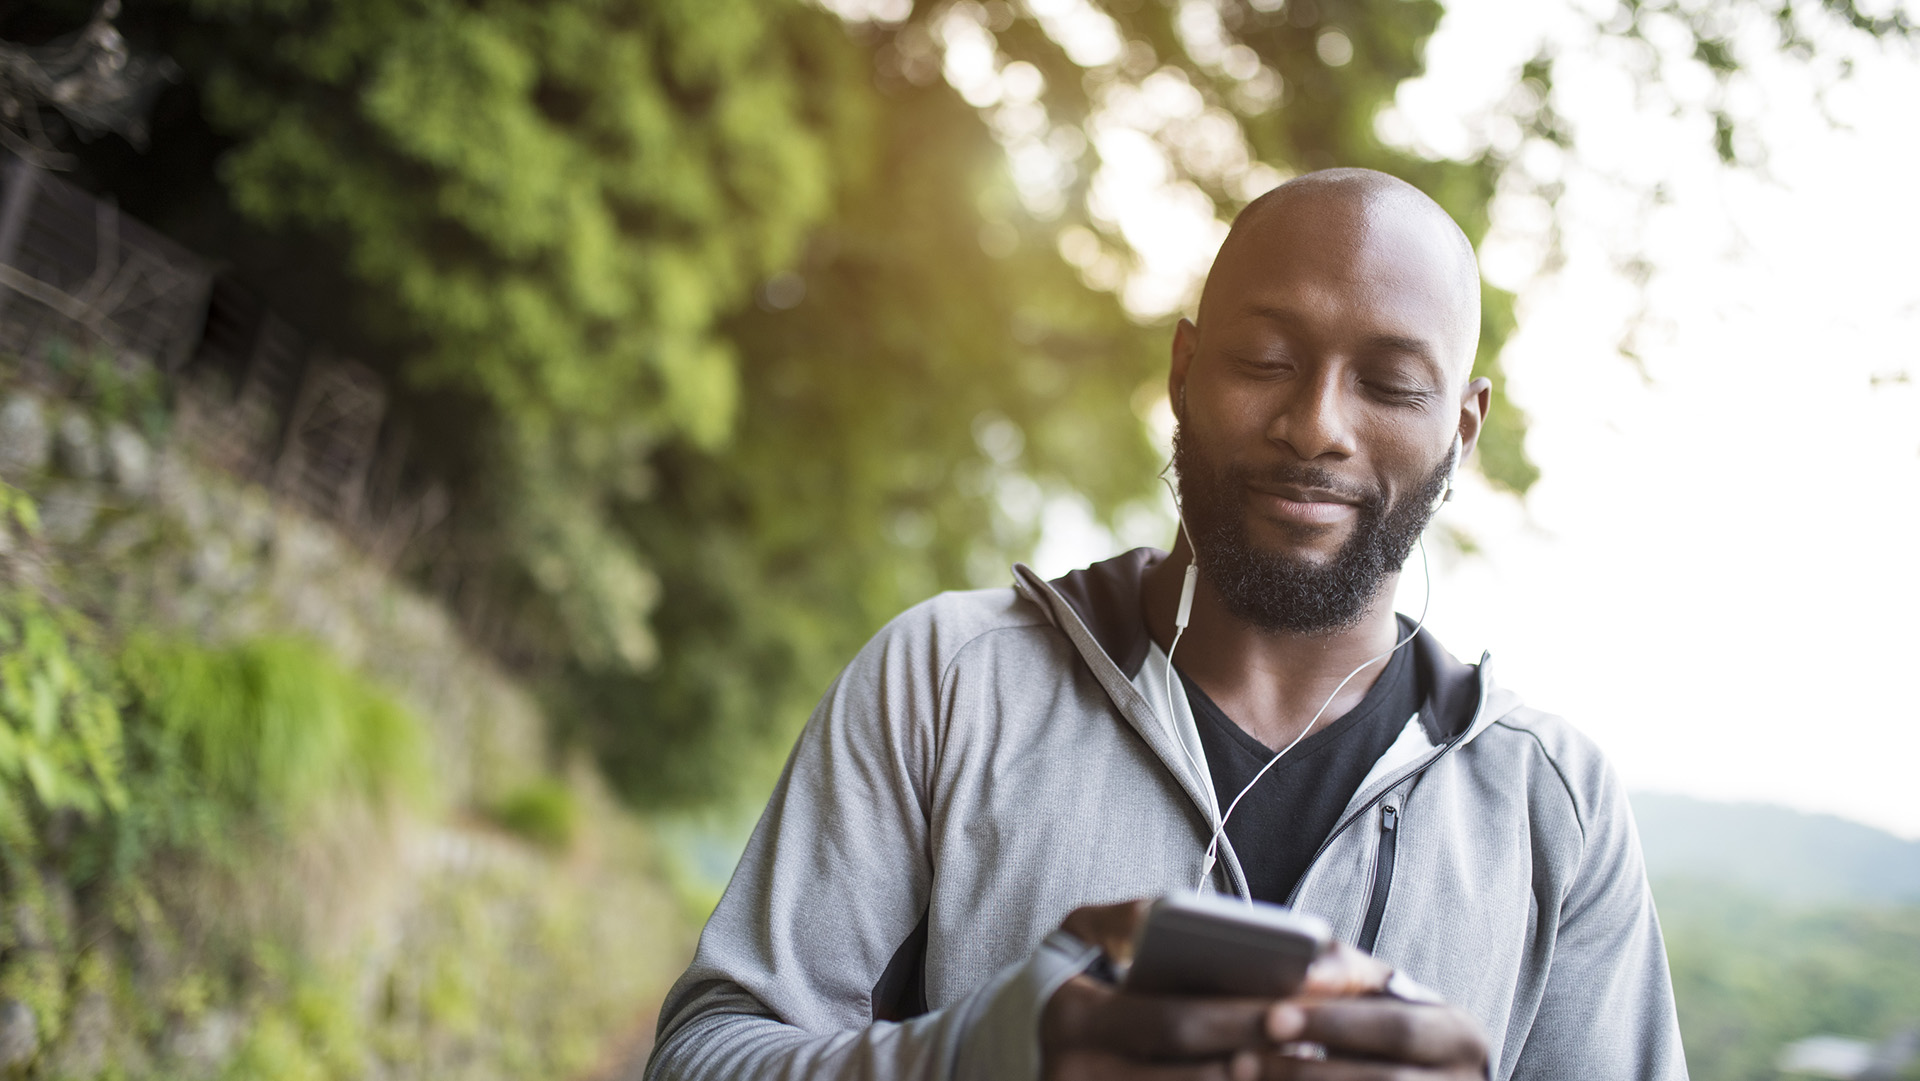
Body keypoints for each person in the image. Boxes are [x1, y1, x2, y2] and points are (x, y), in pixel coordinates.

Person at [645, 168, 1687, 1081]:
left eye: (1391, 384)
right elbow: (703, 1054)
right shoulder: (949, 679)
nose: (1317, 424)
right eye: (1268, 360)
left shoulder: (1556, 803)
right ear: (1184, 370)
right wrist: (987, 1056)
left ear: (1460, 428)